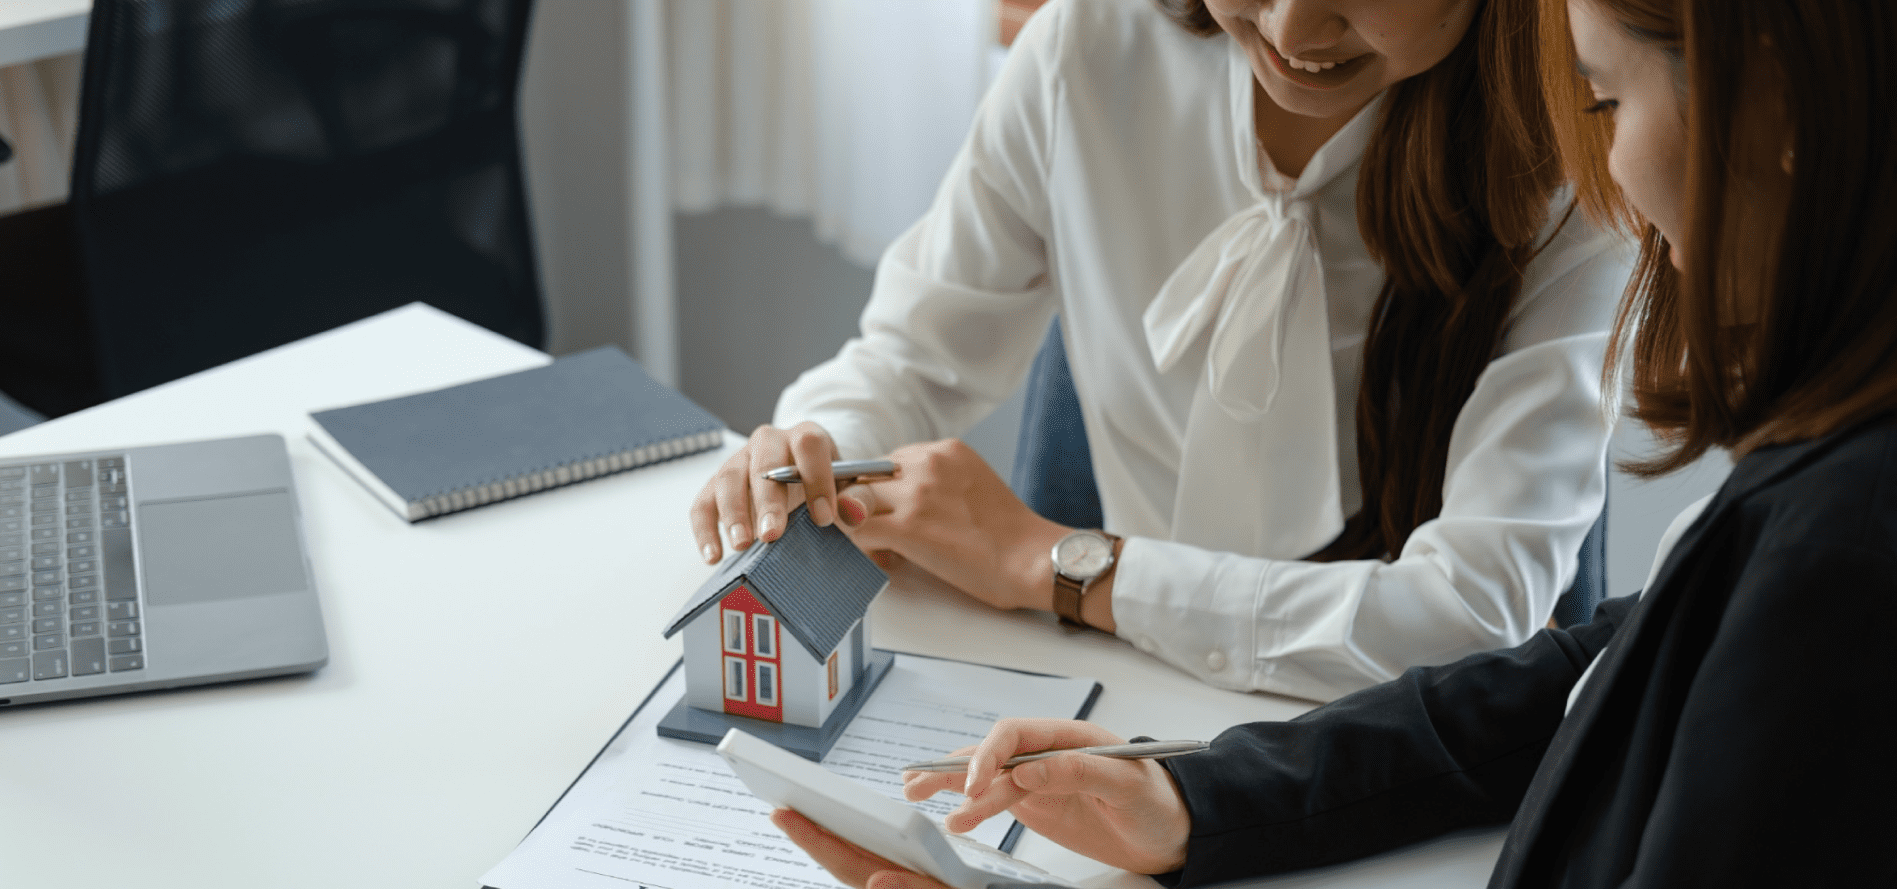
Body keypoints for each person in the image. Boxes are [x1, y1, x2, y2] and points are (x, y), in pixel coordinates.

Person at [772, 0, 1897, 889]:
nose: (1618, 180)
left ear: (1772, 123)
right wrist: (1196, 796)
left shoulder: (1845, 559)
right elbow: (1585, 671)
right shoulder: (1829, 470)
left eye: (1606, 98)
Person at [687, 0, 1631, 704]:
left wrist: (1060, 565)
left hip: (1379, 735)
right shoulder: (1094, 42)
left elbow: (1473, 614)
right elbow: (912, 354)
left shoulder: (1583, 163)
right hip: (1102, 691)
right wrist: (817, 443)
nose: (1297, 29)